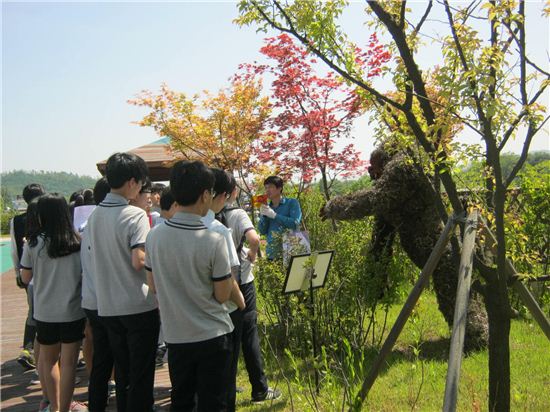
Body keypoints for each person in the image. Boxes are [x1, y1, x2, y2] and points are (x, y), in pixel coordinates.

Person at [320, 145, 489, 350]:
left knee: (456, 297)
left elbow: (373, 200)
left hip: (436, 248)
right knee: (455, 293)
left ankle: (476, 342)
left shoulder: (401, 167)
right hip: (434, 247)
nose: (374, 175)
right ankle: (474, 340)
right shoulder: (407, 168)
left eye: (374, 170)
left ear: (383, 162)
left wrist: (334, 206)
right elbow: (381, 231)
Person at [144, 160, 237, 412]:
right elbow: (221, 295)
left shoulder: (154, 237)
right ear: (205, 194)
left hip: (176, 335)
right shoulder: (214, 238)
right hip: (212, 335)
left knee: (182, 400)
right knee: (213, 403)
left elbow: (152, 285)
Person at [87, 152, 159, 412]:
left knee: (124, 374)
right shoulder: (135, 215)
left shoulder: (94, 217)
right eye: (140, 184)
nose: (141, 189)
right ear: (131, 182)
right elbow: (139, 260)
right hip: (137, 305)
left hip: (107, 306)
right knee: (141, 377)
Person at [217, 172, 282, 404]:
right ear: (233, 192)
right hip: (242, 282)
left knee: (227, 335)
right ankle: (260, 390)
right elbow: (254, 239)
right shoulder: (237, 213)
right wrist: (252, 256)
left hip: (219, 283)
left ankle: (228, 389)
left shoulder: (207, 214)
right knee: (249, 335)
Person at [20, 194, 87, 412]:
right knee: (69, 363)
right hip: (73, 311)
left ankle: (54, 407)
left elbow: (26, 278)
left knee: (48, 361)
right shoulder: (77, 242)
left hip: (45, 311)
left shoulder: (33, 243)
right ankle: (67, 407)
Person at [202, 168, 245, 411]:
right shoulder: (218, 230)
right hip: (223, 313)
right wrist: (241, 303)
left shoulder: (162, 231)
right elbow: (230, 278)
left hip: (186, 324)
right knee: (225, 378)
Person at [81, 177, 115, 411]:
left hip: (92, 299)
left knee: (101, 358)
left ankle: (97, 404)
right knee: (122, 357)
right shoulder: (111, 220)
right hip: (111, 301)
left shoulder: (88, 222)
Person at [10, 183, 45, 372]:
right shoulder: (48, 217)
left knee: (33, 311)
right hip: (45, 275)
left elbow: (14, 250)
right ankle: (34, 351)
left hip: (27, 275)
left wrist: (18, 273)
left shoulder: (16, 220)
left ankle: (28, 348)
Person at [258, 176, 302, 260]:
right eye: (266, 187)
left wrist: (275, 216)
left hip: (290, 250)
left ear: (279, 188)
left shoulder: (292, 203)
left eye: (270, 187)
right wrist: (264, 215)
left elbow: (295, 223)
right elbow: (262, 231)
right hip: (272, 253)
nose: (267, 190)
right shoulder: (267, 208)